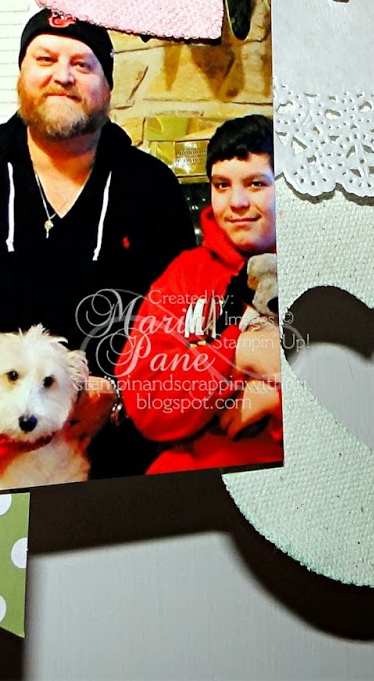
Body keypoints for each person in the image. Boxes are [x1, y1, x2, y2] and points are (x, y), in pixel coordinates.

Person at [0, 8, 195, 483]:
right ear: (21, 75)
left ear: (108, 86)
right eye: (45, 59)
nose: (63, 76)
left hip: (115, 462)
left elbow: (179, 326)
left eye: (82, 64)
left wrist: (117, 395)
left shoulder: (151, 188)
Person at [116, 114, 283, 474]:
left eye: (256, 184)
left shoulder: (323, 266)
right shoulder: (186, 275)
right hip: (190, 477)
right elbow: (145, 399)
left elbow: (356, 389)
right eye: (221, 185)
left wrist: (277, 399)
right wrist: (238, 352)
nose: (236, 202)